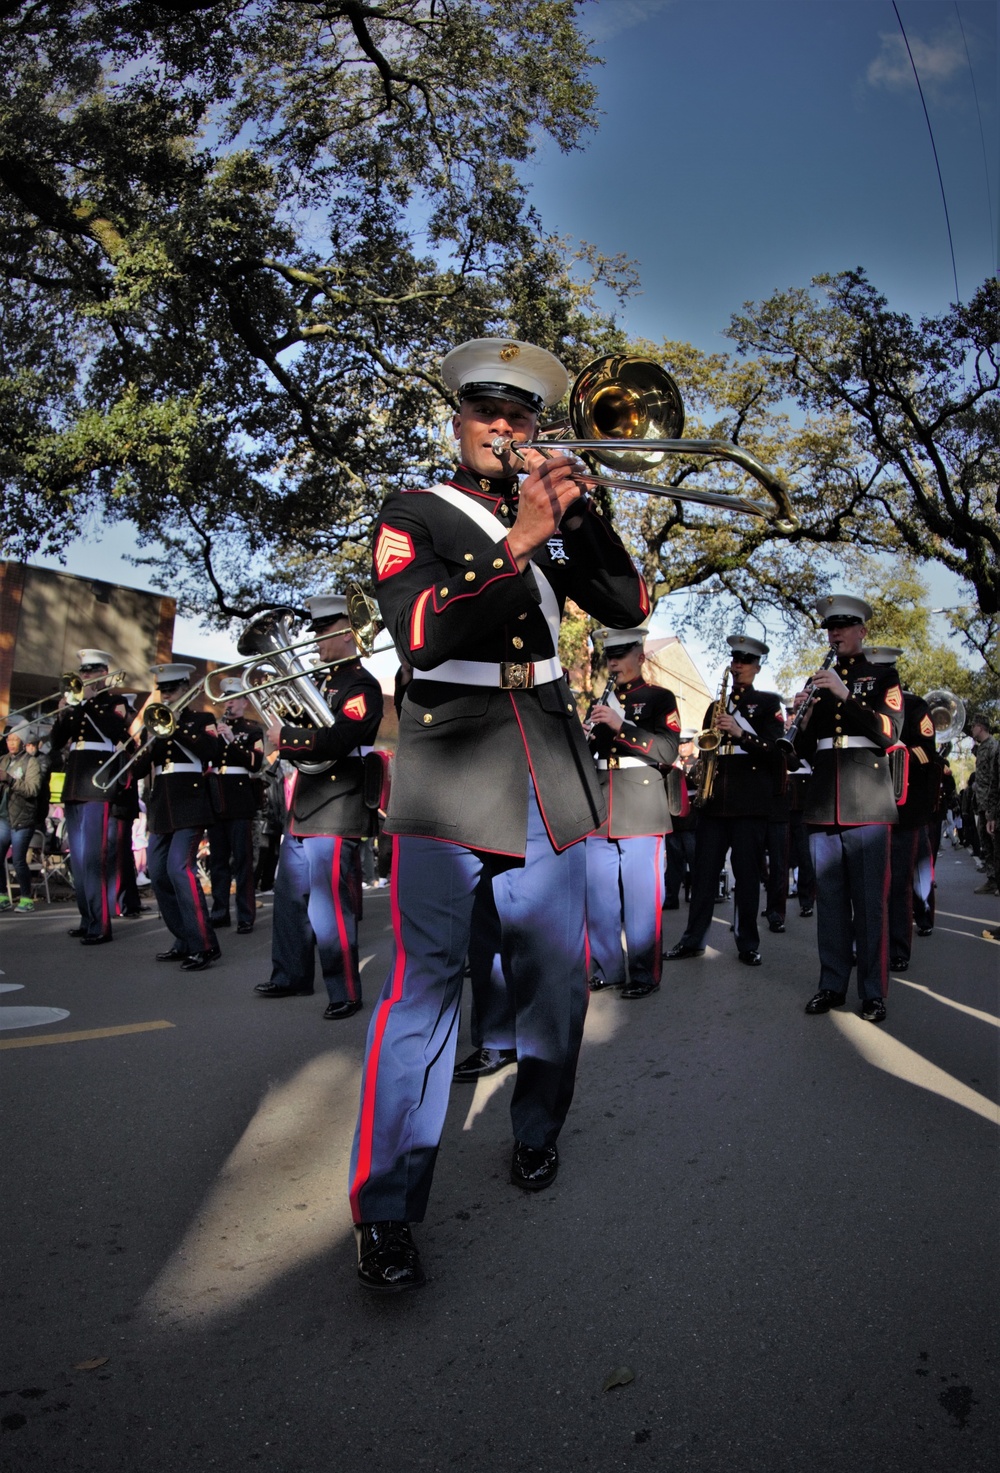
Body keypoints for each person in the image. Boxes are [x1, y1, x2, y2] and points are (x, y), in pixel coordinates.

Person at [348, 336, 649, 1291]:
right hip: (450, 757)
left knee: (557, 978)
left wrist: (582, 515)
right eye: (489, 414)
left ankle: (536, 1131)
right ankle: (388, 1206)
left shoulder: (557, 511)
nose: (506, 429)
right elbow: (421, 631)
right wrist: (519, 537)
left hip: (547, 753)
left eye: (522, 417)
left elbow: (624, 601)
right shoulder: (413, 511)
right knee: (423, 990)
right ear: (459, 422)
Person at [253, 595, 383, 1017]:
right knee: (290, 897)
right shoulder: (322, 682)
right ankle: (291, 974)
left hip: (337, 802)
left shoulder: (360, 685)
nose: (316, 641)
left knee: (327, 903)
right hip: (307, 803)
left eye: (324, 632)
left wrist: (285, 737)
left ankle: (344, 989)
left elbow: (341, 738)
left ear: (347, 632)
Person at [794, 596, 904, 1023]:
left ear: (862, 631)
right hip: (824, 802)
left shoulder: (882, 677)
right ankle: (831, 984)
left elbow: (888, 733)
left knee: (869, 903)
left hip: (868, 803)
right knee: (832, 903)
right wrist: (801, 723)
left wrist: (844, 695)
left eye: (843, 626)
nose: (835, 634)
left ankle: (873, 992)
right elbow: (804, 750)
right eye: (830, 628)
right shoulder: (818, 679)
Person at [665, 635, 784, 967]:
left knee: (747, 877)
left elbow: (776, 750)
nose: (738, 666)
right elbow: (705, 748)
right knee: (703, 875)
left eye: (745, 661)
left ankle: (747, 942)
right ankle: (693, 939)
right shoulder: (714, 706)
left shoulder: (768, 704)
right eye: (735, 660)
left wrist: (739, 731)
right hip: (715, 803)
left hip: (749, 804)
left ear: (757, 667)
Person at [585, 624, 680, 998]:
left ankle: (644, 974)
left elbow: (668, 752)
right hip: (602, 806)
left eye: (621, 655)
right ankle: (608, 968)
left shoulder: (659, 697)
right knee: (599, 898)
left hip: (641, 806)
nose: (614, 662)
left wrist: (622, 726)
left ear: (640, 656)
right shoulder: (601, 701)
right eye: (610, 656)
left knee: (642, 899)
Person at [130, 665, 221, 971]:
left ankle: (204, 944)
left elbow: (213, 751)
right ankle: (183, 939)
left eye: (171, 689)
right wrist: (151, 738)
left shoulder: (201, 719)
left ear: (185, 689)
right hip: (161, 808)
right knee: (157, 873)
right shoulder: (152, 724)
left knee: (179, 870)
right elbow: (139, 769)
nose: (166, 695)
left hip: (190, 805)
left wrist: (177, 727)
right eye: (162, 690)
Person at [48, 650, 130, 944]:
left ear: (105, 672)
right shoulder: (76, 704)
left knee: (95, 858)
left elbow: (117, 731)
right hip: (74, 785)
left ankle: (101, 925)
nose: (85, 677)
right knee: (79, 859)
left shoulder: (115, 702)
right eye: (83, 672)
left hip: (98, 784)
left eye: (92, 671)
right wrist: (63, 714)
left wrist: (88, 702)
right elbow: (56, 743)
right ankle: (88, 918)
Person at [864, 649, 938, 972]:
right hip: (865, 803)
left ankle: (897, 949)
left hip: (903, 809)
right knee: (866, 884)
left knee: (899, 884)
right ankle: (864, 944)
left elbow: (927, 752)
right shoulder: (860, 704)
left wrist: (900, 748)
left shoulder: (915, 705)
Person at [207, 679, 264, 934]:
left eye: (235, 697)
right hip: (216, 796)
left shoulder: (252, 730)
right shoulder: (214, 728)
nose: (229, 702)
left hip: (240, 798)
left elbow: (254, 763)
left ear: (245, 701)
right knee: (217, 861)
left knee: (242, 860)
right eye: (226, 697)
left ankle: (245, 915)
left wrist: (232, 740)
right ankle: (219, 911)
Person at [0, 719, 42, 912]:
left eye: (15, 739)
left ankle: (26, 898)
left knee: (18, 860)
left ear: (23, 742)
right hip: (4, 816)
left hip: (22, 819)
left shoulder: (31, 762)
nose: (11, 742)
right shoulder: (4, 760)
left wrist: (10, 780)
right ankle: (2, 896)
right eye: (9, 739)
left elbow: (33, 789)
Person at [663, 729, 698, 910]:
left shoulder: (698, 763)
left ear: (692, 744)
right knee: (674, 861)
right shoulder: (671, 763)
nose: (682, 747)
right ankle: (671, 897)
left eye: (686, 743)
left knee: (694, 859)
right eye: (680, 743)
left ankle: (695, 894)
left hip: (692, 819)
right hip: (674, 817)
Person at [970, 714, 998, 896]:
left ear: (980, 727)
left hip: (991, 804)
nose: (972, 730)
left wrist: (992, 807)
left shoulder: (993, 747)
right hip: (981, 803)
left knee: (995, 844)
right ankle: (992, 879)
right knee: (986, 843)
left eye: (973, 727)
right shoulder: (980, 748)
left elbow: (994, 779)